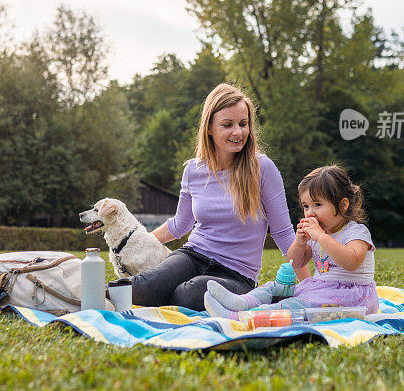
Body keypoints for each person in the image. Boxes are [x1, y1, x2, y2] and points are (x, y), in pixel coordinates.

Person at [130, 83, 307, 311]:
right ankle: (87, 295)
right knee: (144, 286)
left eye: (243, 124)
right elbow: (179, 225)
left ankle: (169, 300)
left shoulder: (263, 168)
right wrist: (137, 243)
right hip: (193, 256)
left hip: (236, 276)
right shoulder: (193, 170)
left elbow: (283, 234)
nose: (238, 132)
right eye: (228, 124)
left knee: (189, 294)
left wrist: (309, 286)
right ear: (210, 128)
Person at [204, 165, 378, 319]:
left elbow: (351, 262)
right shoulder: (320, 233)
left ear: (343, 205)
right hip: (320, 289)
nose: (310, 213)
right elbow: (296, 262)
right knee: (273, 287)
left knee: (293, 307)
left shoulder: (356, 231)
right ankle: (241, 303)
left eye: (317, 205)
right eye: (306, 206)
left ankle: (239, 317)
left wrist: (320, 237)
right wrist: (300, 242)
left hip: (351, 297)